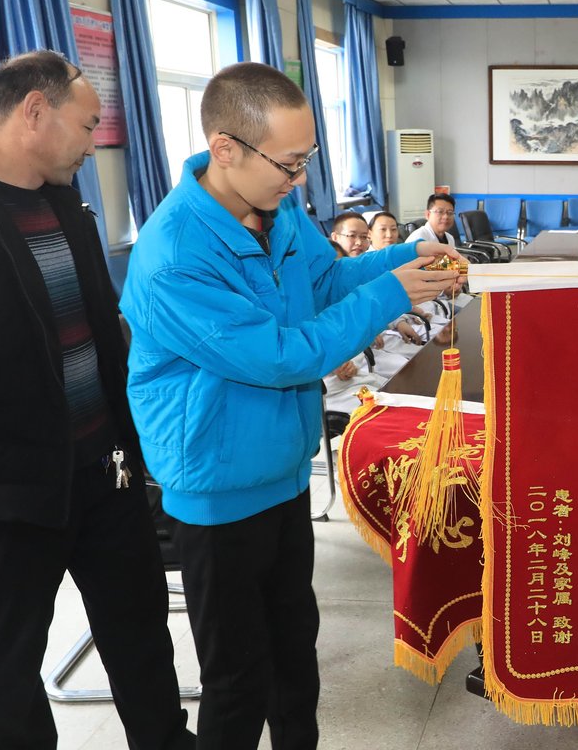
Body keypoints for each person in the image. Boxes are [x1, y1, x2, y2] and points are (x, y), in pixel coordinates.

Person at [119, 61, 462, 750]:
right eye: (290, 162)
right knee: (238, 679)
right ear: (225, 149)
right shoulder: (174, 255)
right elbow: (280, 356)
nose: (300, 178)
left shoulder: (277, 207)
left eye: (306, 160)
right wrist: (394, 291)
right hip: (216, 488)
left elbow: (327, 280)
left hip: (278, 471)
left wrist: (410, 259)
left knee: (294, 663)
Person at [0, 50, 193, 750]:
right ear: (34, 114)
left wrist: (136, 443)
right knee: (9, 666)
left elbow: (99, 335)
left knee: (142, 637)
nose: (94, 140)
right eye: (86, 124)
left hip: (104, 474)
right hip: (9, 497)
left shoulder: (67, 206)